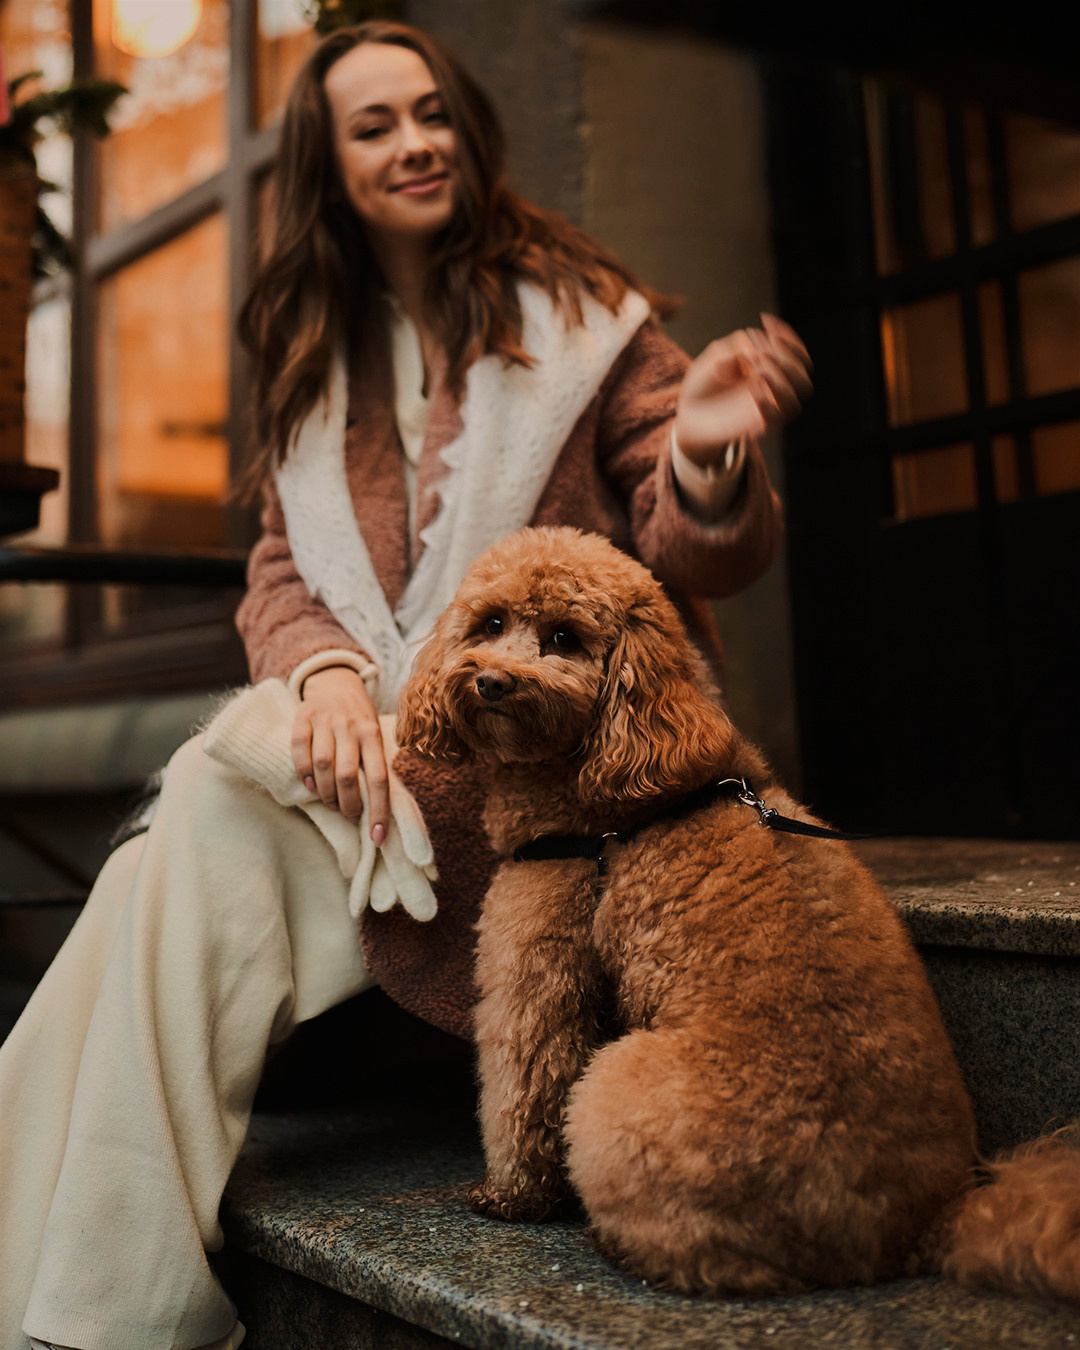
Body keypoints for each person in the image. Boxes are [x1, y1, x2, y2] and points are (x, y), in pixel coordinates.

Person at [0, 20, 811, 1350]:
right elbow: (280, 577)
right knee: (167, 859)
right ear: (332, 165)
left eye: (430, 112)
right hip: (380, 783)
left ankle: (102, 1310)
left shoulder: (585, 320)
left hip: (544, 804)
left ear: (467, 128)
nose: (415, 142)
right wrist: (319, 675)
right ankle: (89, 1298)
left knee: (203, 796)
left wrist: (714, 457)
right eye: (374, 126)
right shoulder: (317, 360)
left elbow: (691, 541)